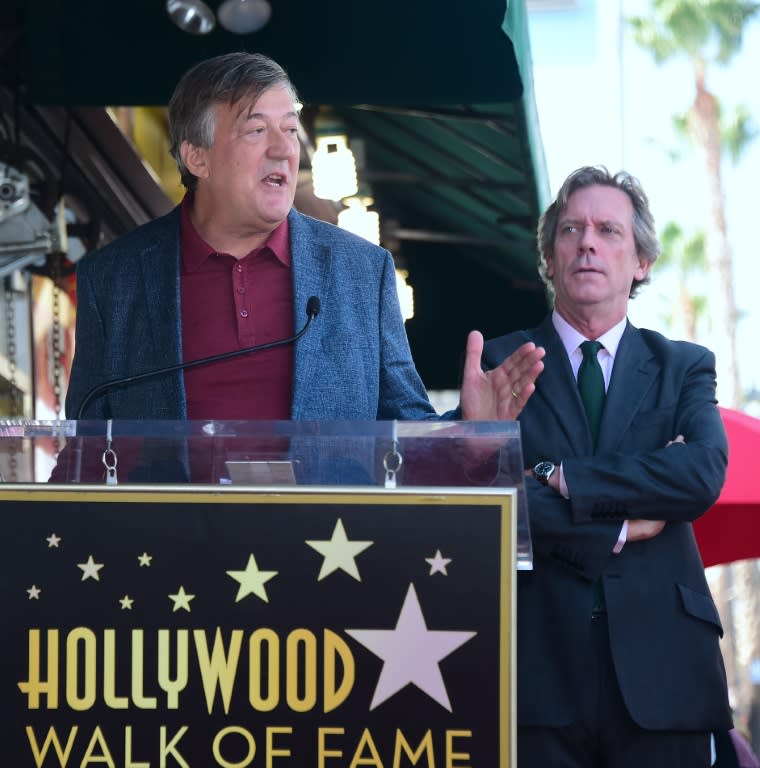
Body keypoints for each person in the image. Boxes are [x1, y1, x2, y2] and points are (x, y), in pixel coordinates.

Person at [63, 51, 543, 426]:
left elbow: (404, 434)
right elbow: (84, 445)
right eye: (256, 130)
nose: (283, 149)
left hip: (325, 548)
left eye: (290, 129)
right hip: (166, 550)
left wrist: (470, 428)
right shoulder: (114, 278)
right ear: (197, 158)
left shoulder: (361, 272)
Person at [474, 165, 732, 767]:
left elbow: (699, 474)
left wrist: (562, 477)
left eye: (608, 230)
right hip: (531, 664)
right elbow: (487, 497)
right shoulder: (499, 364)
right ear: (549, 256)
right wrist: (618, 525)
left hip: (665, 671)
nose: (587, 241)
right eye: (571, 229)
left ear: (641, 261)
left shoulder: (684, 366)